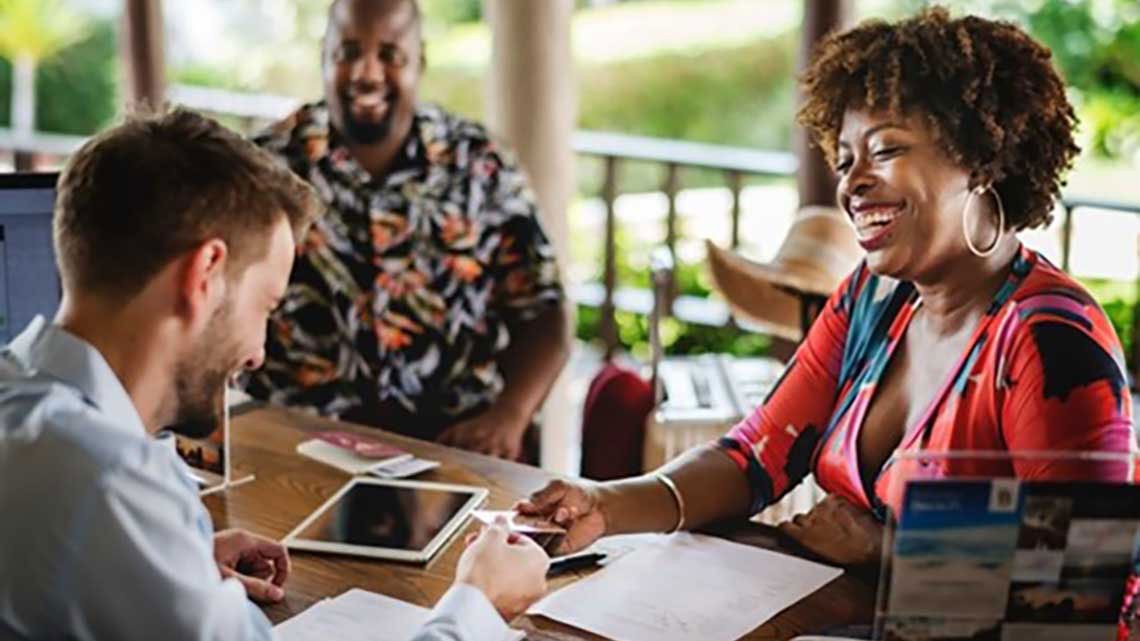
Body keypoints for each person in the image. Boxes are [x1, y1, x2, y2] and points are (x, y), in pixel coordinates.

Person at [518, 7, 1135, 567]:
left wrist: (890, 548)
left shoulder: (1051, 340)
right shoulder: (872, 300)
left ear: (982, 160)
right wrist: (605, 504)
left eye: (885, 149)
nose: (853, 183)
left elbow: (1091, 567)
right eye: (845, 159)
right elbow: (754, 456)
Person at [0, 107, 549, 641]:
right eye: (265, 305)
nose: (259, 353)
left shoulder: (26, 413)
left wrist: (167, 568)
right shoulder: (109, 485)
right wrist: (479, 601)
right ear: (205, 275)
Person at [242, 0, 571, 462]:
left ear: (420, 60)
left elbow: (545, 315)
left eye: (391, 55)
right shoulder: (264, 170)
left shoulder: (482, 165)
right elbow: (218, 308)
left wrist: (510, 414)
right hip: (297, 448)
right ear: (325, 54)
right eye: (348, 52)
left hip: (449, 449)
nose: (367, 74)